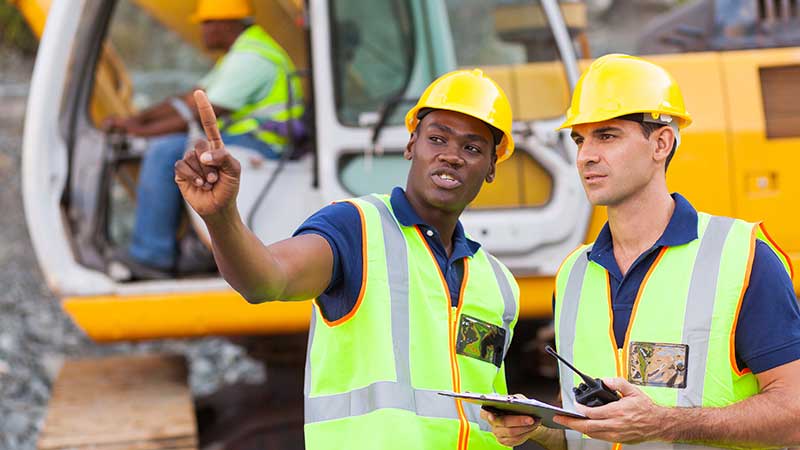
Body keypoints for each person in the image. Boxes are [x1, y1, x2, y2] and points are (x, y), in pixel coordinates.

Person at [176, 69, 521, 449]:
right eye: (437, 138)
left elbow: (488, 414)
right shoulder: (356, 229)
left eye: (472, 149)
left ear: (491, 167)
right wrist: (221, 216)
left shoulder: (499, 284)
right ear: (411, 146)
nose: (451, 156)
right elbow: (267, 280)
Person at [483, 54, 800, 449]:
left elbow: (794, 414)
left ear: (661, 143)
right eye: (580, 139)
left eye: (607, 136)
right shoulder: (573, 275)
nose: (586, 156)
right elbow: (587, 427)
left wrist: (662, 423)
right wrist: (539, 425)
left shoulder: (743, 258)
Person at [110, 0, 304, 279]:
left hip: (264, 145)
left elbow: (201, 113)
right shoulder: (243, 52)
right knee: (178, 147)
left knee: (167, 151)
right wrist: (136, 121)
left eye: (206, 23)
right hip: (246, 139)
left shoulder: (253, 59)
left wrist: (139, 132)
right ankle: (186, 246)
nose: (202, 31)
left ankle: (152, 256)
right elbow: (190, 98)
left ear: (224, 23)